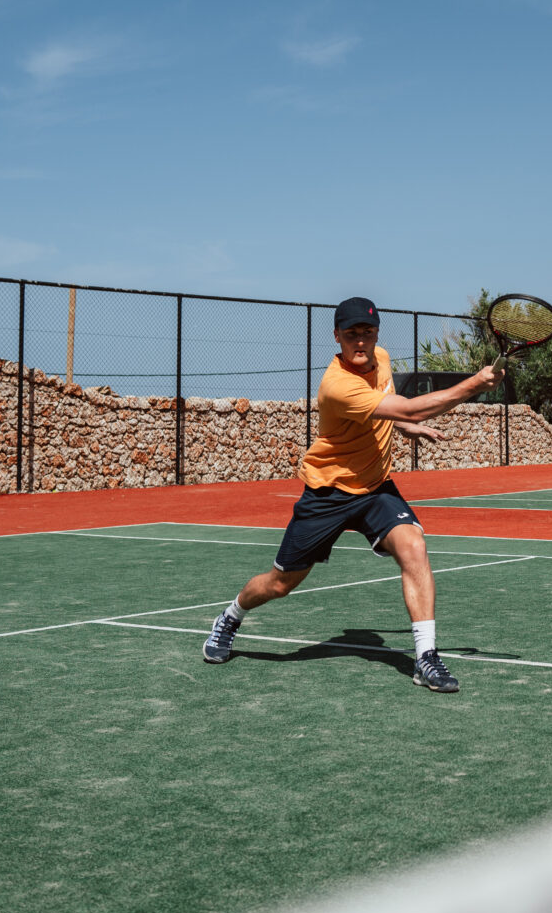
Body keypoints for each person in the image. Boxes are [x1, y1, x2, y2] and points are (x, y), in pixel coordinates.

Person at [202, 296, 501, 691]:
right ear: (337, 337)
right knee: (280, 584)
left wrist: (406, 428)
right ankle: (230, 617)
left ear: (377, 333)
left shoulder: (382, 359)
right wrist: (474, 385)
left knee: (414, 548)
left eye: (368, 332)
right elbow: (408, 409)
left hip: (376, 487)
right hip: (329, 493)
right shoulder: (337, 385)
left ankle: (426, 658)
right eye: (351, 334)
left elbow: (391, 414)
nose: (361, 342)